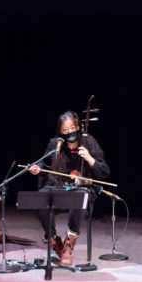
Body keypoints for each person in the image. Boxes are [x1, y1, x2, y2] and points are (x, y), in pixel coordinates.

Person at [27, 111, 110, 267]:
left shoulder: (88, 141)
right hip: (58, 187)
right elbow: (43, 164)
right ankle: (53, 241)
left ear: (78, 127)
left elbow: (104, 171)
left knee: (80, 197)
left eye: (72, 128)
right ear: (60, 131)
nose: (69, 132)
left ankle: (69, 244)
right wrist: (36, 168)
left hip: (80, 189)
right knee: (39, 199)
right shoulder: (55, 144)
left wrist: (89, 158)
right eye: (65, 129)